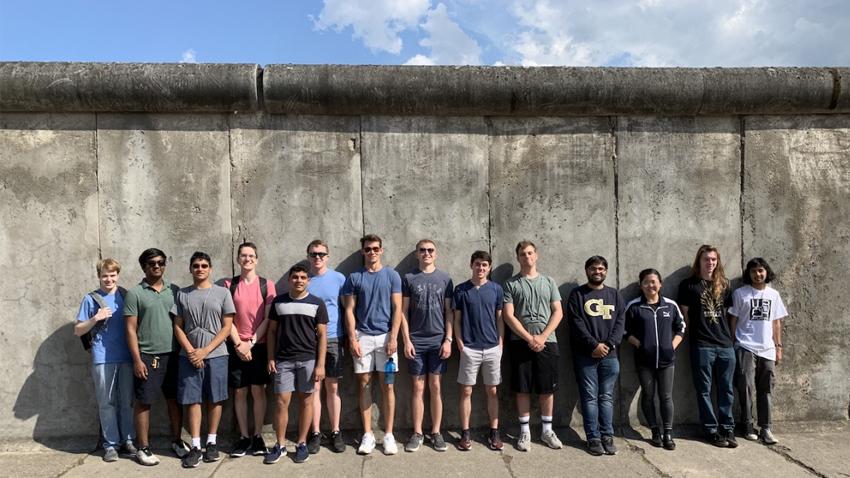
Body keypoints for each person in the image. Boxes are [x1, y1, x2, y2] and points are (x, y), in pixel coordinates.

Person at [124, 248, 189, 466]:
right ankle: (143, 447)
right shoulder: (135, 293)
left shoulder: (175, 290)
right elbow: (131, 329)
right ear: (143, 266)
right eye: (152, 263)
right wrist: (137, 359)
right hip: (148, 356)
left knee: (175, 400)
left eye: (161, 262)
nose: (157, 267)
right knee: (144, 402)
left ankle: (177, 441)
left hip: (173, 354)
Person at [171, 252, 235, 468]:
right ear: (190, 268)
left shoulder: (223, 293)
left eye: (204, 265)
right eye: (196, 265)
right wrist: (191, 351)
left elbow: (227, 327)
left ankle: (212, 442)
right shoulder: (182, 294)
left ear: (210, 268)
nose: (200, 268)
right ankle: (196, 445)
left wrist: (205, 350)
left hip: (216, 354)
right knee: (193, 399)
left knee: (215, 397)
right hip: (188, 356)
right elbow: (178, 326)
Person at [342, 234, 403, 455]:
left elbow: (398, 309)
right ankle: (367, 434)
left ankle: (388, 434)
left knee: (388, 385)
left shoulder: (393, 276)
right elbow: (349, 310)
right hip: (363, 337)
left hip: (387, 336)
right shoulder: (354, 277)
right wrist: (352, 338)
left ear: (382, 250)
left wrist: (394, 337)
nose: (372, 252)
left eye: (375, 248)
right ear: (363, 252)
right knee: (364, 384)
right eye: (368, 249)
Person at [502, 240, 564, 451]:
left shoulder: (549, 281)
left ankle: (547, 431)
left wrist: (543, 336)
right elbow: (508, 316)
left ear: (536, 255)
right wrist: (529, 338)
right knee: (522, 388)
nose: (526, 257)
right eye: (522, 254)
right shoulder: (511, 284)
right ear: (518, 258)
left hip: (548, 343)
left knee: (547, 388)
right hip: (520, 343)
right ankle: (525, 432)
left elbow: (558, 311)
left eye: (530, 253)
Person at [264, 265, 328, 465]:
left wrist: (321, 364)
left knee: (306, 402)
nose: (299, 280)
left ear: (308, 280)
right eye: (295, 277)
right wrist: (271, 358)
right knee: (282, 402)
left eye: (302, 277)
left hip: (309, 360)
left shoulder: (317, 304)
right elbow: (272, 332)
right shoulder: (279, 302)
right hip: (283, 361)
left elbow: (323, 335)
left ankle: (301, 443)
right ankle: (280, 445)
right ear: (289, 280)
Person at [74, 258, 135, 462]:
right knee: (107, 403)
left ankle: (128, 440)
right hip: (102, 358)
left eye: (112, 275)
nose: (108, 279)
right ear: (98, 276)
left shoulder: (126, 296)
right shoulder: (90, 299)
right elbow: (77, 330)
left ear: (118, 275)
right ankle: (110, 445)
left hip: (127, 356)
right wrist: (95, 318)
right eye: (104, 275)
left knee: (127, 401)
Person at [678, 244, 737, 448]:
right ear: (699, 261)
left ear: (717, 261)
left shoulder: (726, 285)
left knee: (726, 389)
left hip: (725, 345)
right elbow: (684, 316)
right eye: (706, 259)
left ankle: (727, 428)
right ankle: (711, 429)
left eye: (713, 259)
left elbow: (730, 316)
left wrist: (730, 339)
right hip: (702, 345)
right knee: (704, 390)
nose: (710, 262)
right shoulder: (688, 285)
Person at [567, 255, 626, 456]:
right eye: (593, 268)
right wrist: (594, 345)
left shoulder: (615, 295)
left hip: (610, 356)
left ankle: (607, 436)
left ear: (606, 271)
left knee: (606, 397)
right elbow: (576, 324)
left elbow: (620, 323)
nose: (597, 272)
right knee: (590, 397)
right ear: (587, 270)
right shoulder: (577, 295)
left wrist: (608, 345)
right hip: (585, 355)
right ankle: (593, 438)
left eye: (601, 268)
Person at [400, 239, 454, 452]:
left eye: (430, 250)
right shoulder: (409, 278)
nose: (426, 253)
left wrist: (448, 339)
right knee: (418, 387)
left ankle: (436, 432)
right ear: (416, 254)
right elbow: (402, 312)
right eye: (422, 250)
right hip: (416, 342)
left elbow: (449, 312)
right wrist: (406, 340)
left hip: (438, 341)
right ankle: (417, 432)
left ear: (436, 253)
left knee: (436, 387)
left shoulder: (445, 279)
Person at [224, 242, 276, 458]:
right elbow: (227, 319)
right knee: (239, 391)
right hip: (236, 345)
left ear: (257, 258)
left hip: (259, 346)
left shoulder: (267, 285)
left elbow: (267, 319)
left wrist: (251, 343)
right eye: (243, 255)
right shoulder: (229, 285)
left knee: (258, 391)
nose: (247, 259)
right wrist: (238, 344)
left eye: (251, 255)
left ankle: (257, 436)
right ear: (238, 259)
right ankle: (244, 437)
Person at [624, 268, 685, 451]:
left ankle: (668, 432)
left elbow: (681, 327)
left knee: (666, 397)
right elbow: (624, 330)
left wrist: (672, 345)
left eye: (654, 281)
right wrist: (639, 344)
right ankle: (654, 430)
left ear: (660, 284)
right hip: (644, 361)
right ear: (641, 285)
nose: (651, 285)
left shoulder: (670, 306)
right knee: (648, 396)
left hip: (667, 361)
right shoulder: (634, 306)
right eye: (646, 282)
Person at [729, 258, 788, 445]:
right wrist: (733, 343)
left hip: (768, 349)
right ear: (749, 273)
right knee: (745, 387)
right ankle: (747, 425)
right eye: (754, 271)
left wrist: (778, 347)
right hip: (745, 346)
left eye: (761, 270)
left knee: (766, 389)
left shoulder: (774, 295)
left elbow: (776, 322)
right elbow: (733, 319)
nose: (758, 274)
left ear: (766, 272)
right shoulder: (740, 293)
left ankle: (766, 427)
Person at [453, 250, 505, 451]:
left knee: (492, 391)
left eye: (484, 265)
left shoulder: (496, 289)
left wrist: (500, 343)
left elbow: (500, 318)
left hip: (492, 348)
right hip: (470, 349)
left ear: (489, 267)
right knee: (466, 391)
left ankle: (494, 432)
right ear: (471, 265)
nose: (480, 268)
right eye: (477, 264)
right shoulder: (461, 290)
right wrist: (460, 344)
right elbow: (456, 320)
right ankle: (465, 434)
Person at [305, 239, 347, 454]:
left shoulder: (339, 279)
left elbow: (348, 309)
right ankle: (315, 432)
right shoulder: (304, 279)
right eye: (313, 254)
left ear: (327, 257)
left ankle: (336, 431)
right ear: (308, 257)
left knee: (332, 387)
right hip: (308, 341)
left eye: (321, 254)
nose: (317, 258)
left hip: (333, 339)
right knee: (314, 388)